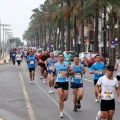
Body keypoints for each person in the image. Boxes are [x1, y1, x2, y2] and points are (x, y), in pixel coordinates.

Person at [52, 53, 74, 118]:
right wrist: (52, 77)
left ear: (63, 57)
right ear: (58, 58)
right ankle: (61, 112)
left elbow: (72, 71)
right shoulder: (55, 65)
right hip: (58, 82)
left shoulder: (67, 64)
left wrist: (67, 73)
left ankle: (61, 102)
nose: (61, 58)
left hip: (65, 81)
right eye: (59, 57)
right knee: (61, 95)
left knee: (65, 98)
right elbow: (52, 72)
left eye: (62, 56)